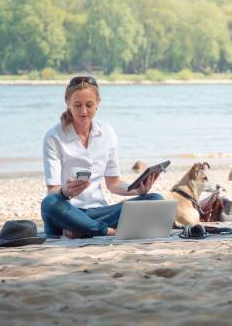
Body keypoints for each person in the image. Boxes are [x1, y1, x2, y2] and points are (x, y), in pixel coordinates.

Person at [40, 76, 163, 238]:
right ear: (67, 103)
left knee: (155, 199)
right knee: (48, 204)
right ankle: (107, 231)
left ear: (98, 102)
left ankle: (84, 230)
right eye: (77, 105)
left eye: (89, 105)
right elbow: (52, 192)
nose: (83, 111)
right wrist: (65, 192)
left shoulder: (107, 133)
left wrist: (135, 189)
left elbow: (113, 184)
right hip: (66, 211)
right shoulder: (53, 137)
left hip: (98, 212)